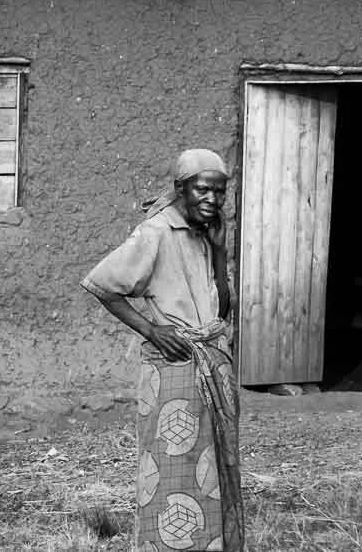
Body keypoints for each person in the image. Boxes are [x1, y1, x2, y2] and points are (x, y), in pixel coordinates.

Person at [81, 149, 243, 551]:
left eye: (219, 192)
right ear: (181, 189)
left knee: (214, 467)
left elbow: (222, 309)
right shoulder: (155, 232)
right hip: (174, 368)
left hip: (211, 361)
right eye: (202, 189)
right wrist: (151, 329)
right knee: (176, 467)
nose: (212, 199)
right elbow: (103, 284)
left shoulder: (208, 233)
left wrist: (221, 254)